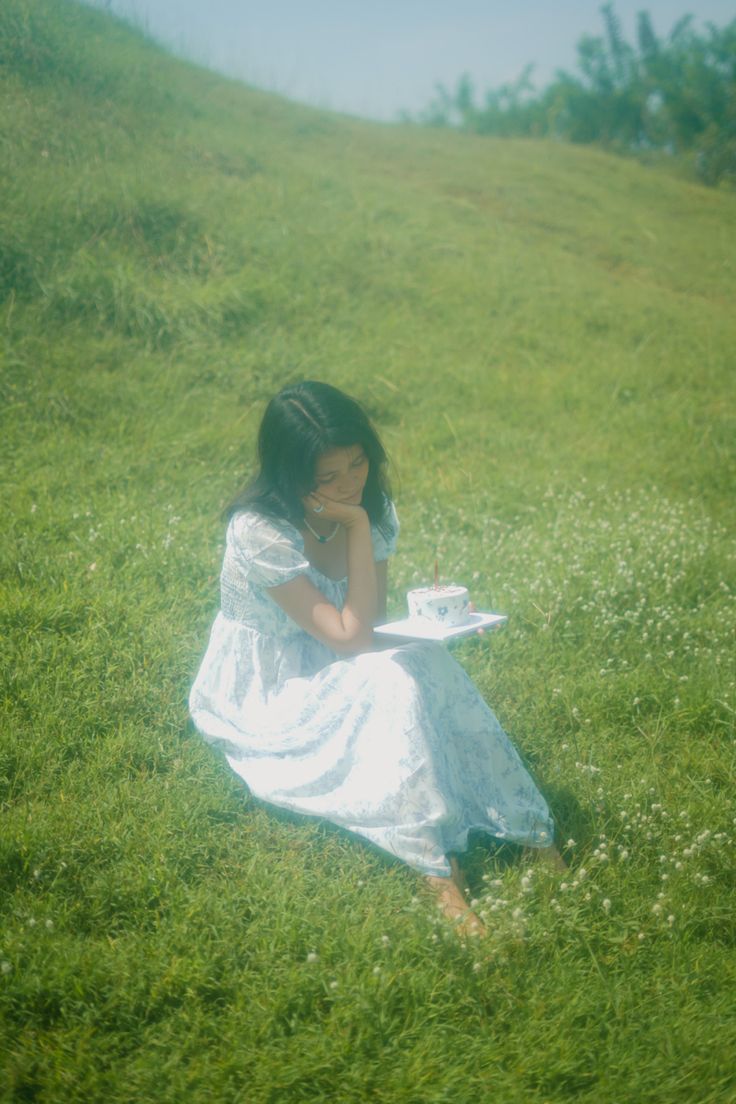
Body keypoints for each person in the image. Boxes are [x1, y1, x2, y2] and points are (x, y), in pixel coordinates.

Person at [189, 380, 564, 937]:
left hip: (342, 652)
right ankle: (434, 867)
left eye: (358, 465)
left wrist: (443, 630)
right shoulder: (260, 531)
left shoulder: (374, 507)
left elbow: (367, 624)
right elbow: (349, 639)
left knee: (429, 664)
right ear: (290, 474)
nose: (348, 485)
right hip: (269, 691)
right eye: (328, 477)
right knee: (390, 680)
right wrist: (356, 524)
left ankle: (533, 831)